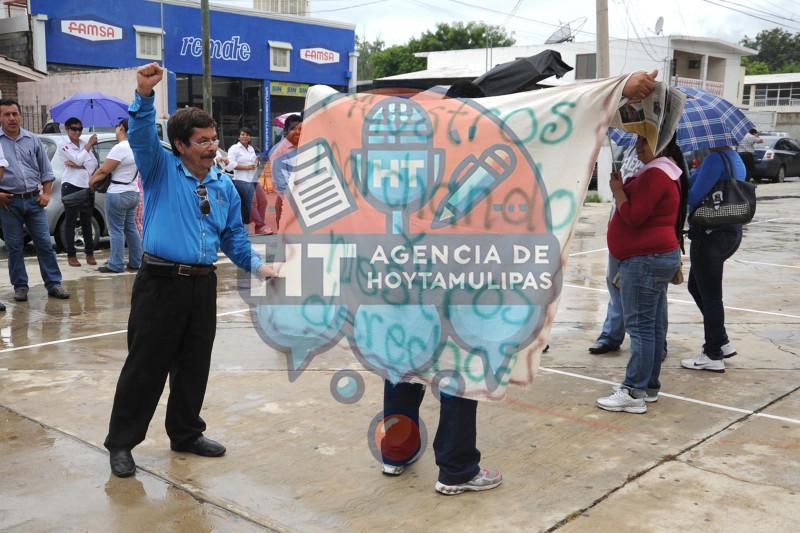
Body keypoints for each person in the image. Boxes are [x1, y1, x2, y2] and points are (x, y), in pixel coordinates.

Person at [104, 62, 275, 478]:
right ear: (180, 145)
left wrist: (259, 266)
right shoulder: (160, 169)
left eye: (214, 139)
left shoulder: (222, 185)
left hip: (202, 285)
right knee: (146, 367)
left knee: (195, 365)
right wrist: (143, 96)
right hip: (161, 283)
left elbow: (233, 237)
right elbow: (143, 134)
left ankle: (185, 433)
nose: (210, 147)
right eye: (201, 140)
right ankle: (122, 443)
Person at [596, 136, 686, 414]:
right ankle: (648, 386)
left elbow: (634, 216)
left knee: (640, 328)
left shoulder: (657, 174)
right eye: (637, 144)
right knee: (653, 325)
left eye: (644, 144)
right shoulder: (664, 171)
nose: (638, 149)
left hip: (645, 260)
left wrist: (618, 191)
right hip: (652, 257)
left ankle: (634, 390)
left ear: (660, 146)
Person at [680, 146, 744, 373]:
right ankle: (721, 340)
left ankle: (712, 353)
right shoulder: (734, 158)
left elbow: (695, 195)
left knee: (711, 296)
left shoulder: (715, 160)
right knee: (696, 287)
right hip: (730, 230)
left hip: (709, 234)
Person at [0, 98, 70, 302]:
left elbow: (46, 171)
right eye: (7, 114)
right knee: (14, 247)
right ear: (0, 118)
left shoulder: (33, 140)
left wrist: (47, 194)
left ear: (20, 115)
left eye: (15, 114)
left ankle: (54, 284)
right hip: (8, 203)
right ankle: (20, 286)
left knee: (44, 244)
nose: (12, 118)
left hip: (34, 200)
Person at [589, 145, 642, 356]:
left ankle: (656, 342)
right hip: (618, 228)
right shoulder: (631, 150)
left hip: (639, 235)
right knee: (614, 284)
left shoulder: (660, 157)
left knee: (648, 295)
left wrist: (620, 191)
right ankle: (611, 335)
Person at [89, 118, 143, 273]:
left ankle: (116, 264)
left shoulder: (120, 148)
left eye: (117, 126)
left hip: (118, 193)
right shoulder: (137, 147)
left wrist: (91, 181)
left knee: (116, 230)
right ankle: (136, 262)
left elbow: (104, 171)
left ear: (121, 128)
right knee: (130, 228)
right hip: (133, 192)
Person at [58, 117, 99, 267]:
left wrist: (78, 164)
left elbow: (92, 164)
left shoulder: (83, 144)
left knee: (87, 221)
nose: (77, 132)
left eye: (80, 129)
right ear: (67, 129)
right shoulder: (63, 144)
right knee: (70, 222)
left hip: (87, 185)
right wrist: (87, 148)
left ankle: (89, 253)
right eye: (74, 129)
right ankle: (71, 255)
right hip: (71, 185)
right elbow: (78, 159)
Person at [268, 114, 302, 232]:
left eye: (300, 129)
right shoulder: (278, 152)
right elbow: (280, 184)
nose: (297, 132)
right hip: (287, 202)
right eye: (293, 128)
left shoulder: (303, 146)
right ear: (285, 131)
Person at [225, 127, 259, 226]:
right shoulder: (234, 148)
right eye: (242, 134)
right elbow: (230, 165)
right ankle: (248, 225)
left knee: (258, 202)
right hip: (241, 180)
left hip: (252, 179)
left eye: (247, 135)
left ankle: (248, 224)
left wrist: (257, 160)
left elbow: (253, 163)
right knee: (248, 204)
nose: (245, 136)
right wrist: (247, 167)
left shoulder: (251, 148)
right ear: (239, 136)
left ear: (250, 137)